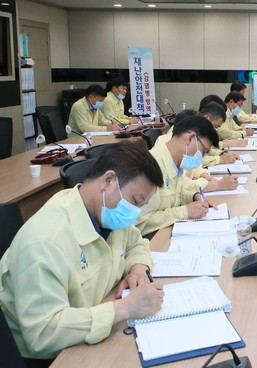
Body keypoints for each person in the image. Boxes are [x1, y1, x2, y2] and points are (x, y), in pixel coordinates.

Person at [0, 142, 165, 359]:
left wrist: (138, 267)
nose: (134, 212)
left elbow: (136, 241)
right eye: (135, 201)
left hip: (97, 320)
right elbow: (43, 333)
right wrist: (124, 308)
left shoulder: (107, 213)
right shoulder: (45, 242)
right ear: (107, 181)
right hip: (54, 356)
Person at [135, 115, 219, 236]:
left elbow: (176, 194)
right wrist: (184, 212)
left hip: (165, 233)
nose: (201, 159)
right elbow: (139, 224)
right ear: (190, 139)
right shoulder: (148, 168)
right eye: (203, 152)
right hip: (151, 241)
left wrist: (193, 197)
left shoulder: (176, 164)